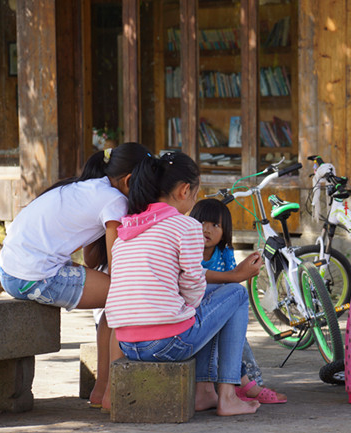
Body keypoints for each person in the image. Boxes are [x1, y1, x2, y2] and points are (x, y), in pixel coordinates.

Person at [0, 142, 152, 409]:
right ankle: (105, 391)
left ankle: (101, 390)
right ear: (129, 180)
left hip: (12, 270)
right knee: (121, 297)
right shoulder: (115, 200)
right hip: (33, 276)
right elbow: (119, 271)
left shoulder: (88, 187)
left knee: (114, 295)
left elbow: (91, 260)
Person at [105, 152, 259, 416]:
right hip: (167, 344)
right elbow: (193, 285)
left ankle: (203, 393)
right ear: (184, 190)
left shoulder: (127, 229)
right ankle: (228, 395)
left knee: (208, 303)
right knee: (235, 293)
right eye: (196, 194)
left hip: (127, 344)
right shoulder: (185, 225)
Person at [190, 198, 287, 404]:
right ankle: (249, 384)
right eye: (201, 223)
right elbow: (205, 278)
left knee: (236, 329)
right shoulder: (189, 251)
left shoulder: (224, 253)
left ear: (225, 231)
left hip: (216, 307)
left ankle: (248, 383)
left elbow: (232, 281)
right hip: (196, 308)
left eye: (215, 225)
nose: (206, 229)